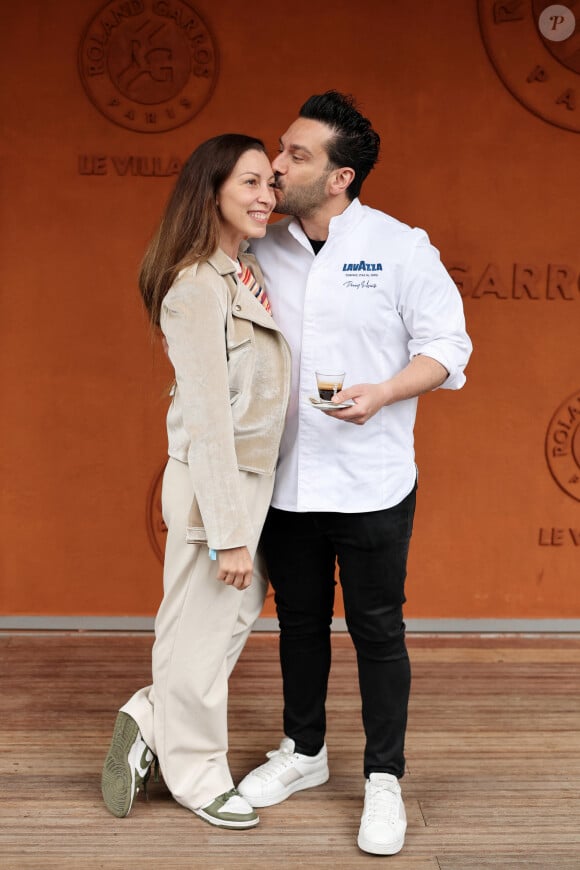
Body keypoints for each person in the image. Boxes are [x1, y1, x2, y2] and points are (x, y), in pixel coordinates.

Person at [237, 92, 472, 855]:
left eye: (296, 155)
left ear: (339, 178)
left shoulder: (402, 247)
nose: (276, 164)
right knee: (299, 624)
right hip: (284, 480)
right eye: (281, 147)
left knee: (378, 629)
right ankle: (303, 753)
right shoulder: (256, 246)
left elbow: (450, 346)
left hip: (373, 477)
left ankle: (383, 780)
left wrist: (386, 392)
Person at [101, 134, 291, 829]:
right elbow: (209, 423)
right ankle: (198, 775)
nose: (266, 195)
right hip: (218, 487)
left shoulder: (242, 274)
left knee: (221, 622)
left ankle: (150, 713)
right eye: (249, 183)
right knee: (205, 630)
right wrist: (229, 534)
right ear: (210, 191)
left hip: (252, 482)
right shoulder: (193, 289)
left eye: (270, 182)